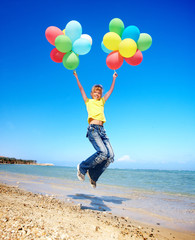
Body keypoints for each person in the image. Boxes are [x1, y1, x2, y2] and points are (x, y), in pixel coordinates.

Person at [73, 71, 118, 188]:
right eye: (95, 92)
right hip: (93, 129)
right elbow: (81, 89)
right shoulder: (88, 101)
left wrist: (113, 78)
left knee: (110, 156)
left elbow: (110, 91)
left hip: (102, 131)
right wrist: (77, 77)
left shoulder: (102, 102)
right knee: (103, 152)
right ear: (92, 93)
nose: (97, 94)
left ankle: (93, 176)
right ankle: (82, 167)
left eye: (99, 92)